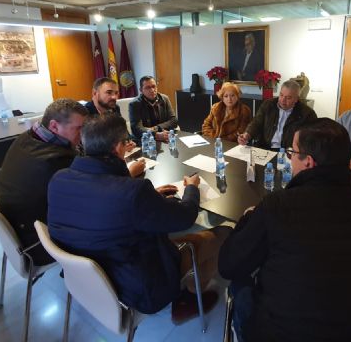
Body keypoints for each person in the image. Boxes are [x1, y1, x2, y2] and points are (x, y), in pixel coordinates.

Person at [219, 118, 351, 342]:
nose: (291, 159)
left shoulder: (278, 207)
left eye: (292, 153)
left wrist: (248, 218)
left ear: (308, 162)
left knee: (240, 283)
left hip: (281, 334)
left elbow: (228, 265)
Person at [47, 114, 230, 318]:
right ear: (118, 147)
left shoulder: (58, 179)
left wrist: (151, 199)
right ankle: (190, 298)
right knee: (223, 234)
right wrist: (191, 189)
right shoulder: (132, 192)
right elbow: (185, 217)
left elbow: (101, 205)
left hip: (88, 281)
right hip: (140, 287)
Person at [0, 98, 89, 266]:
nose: (82, 134)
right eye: (78, 128)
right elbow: (87, 197)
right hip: (38, 244)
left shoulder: (25, 138)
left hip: (19, 232)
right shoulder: (56, 161)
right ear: (54, 126)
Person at [237, 80, 316, 150]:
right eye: (281, 95)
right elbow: (256, 123)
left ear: (296, 99)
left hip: (288, 152)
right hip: (265, 147)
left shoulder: (307, 114)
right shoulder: (268, 105)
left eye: (288, 98)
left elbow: (309, 139)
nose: (283, 100)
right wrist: (247, 135)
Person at [129, 76, 177, 142]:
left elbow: (174, 120)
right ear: (141, 90)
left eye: (154, 86)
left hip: (164, 135)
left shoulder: (164, 99)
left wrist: (156, 128)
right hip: (145, 140)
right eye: (147, 88)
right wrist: (155, 135)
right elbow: (136, 129)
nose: (152, 90)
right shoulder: (134, 104)